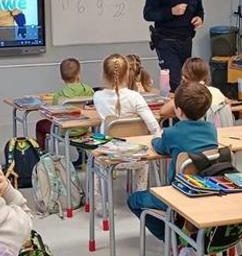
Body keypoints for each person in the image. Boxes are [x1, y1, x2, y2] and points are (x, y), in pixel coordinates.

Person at [127, 81, 218, 240]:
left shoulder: (172, 133)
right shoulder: (212, 129)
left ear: (178, 110)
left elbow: (159, 147)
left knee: (134, 200)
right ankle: (181, 233)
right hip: (207, 189)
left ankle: (172, 239)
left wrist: (156, 137)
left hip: (177, 194)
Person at [92, 54, 160, 195]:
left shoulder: (97, 97)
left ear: (104, 74)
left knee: (93, 155)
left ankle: (99, 202)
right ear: (128, 74)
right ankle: (140, 195)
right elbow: (153, 126)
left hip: (109, 156)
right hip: (137, 156)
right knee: (146, 157)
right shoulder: (135, 97)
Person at [144, 0, 204, 91]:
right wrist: (171, 11)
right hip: (166, 41)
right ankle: (172, 112)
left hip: (186, 41)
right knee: (175, 83)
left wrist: (199, 18)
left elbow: (200, 10)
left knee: (187, 83)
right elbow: (148, 14)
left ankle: (182, 113)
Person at [159, 57, 233, 126]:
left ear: (184, 78)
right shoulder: (215, 91)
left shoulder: (187, 94)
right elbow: (228, 103)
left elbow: (163, 112)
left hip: (198, 135)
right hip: (221, 133)